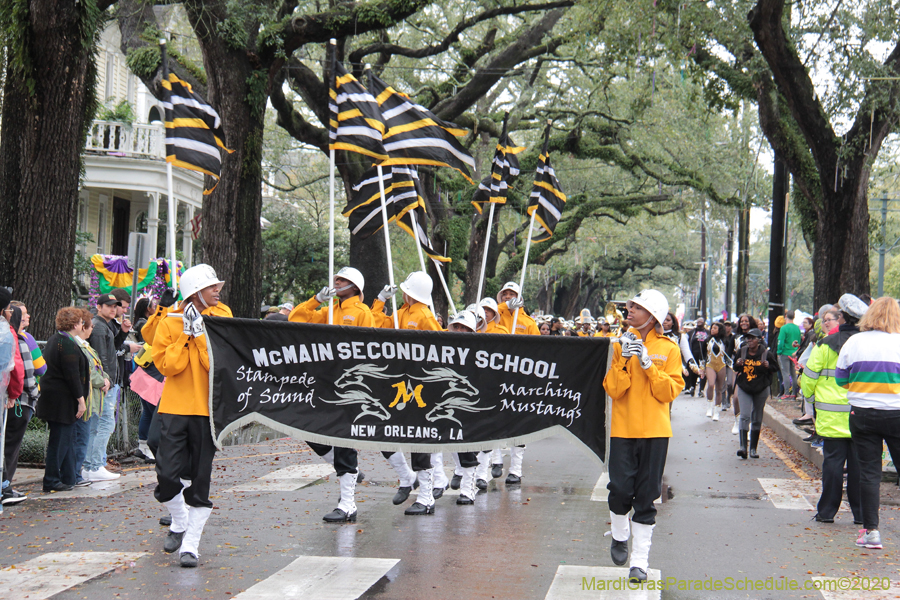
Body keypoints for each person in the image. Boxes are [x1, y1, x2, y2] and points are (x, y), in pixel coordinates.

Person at [152, 264, 232, 567]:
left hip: (207, 411)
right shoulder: (169, 322)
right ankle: (179, 520)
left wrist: (199, 333)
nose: (218, 291)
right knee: (166, 476)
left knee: (200, 480)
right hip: (174, 407)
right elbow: (168, 366)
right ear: (196, 292)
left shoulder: (221, 318)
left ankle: (191, 546)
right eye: (212, 287)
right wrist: (185, 334)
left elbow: (218, 365)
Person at [603, 290, 683, 583]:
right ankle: (619, 535)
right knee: (620, 490)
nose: (630, 311)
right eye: (630, 307)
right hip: (623, 430)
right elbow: (613, 390)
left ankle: (639, 562)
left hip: (655, 432)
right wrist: (623, 360)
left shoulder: (669, 349)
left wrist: (649, 365)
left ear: (652, 316)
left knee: (647, 497)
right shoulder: (618, 344)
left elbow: (668, 392)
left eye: (636, 307)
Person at [289, 266, 371, 522]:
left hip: (349, 384)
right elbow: (295, 320)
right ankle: (348, 469)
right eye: (336, 278)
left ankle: (348, 504)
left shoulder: (363, 312)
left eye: (342, 280)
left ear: (355, 287)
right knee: (307, 428)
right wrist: (316, 300)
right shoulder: (330, 311)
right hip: (325, 381)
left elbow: (370, 346)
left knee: (344, 441)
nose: (336, 282)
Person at [836, 297, 900, 551]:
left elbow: (841, 380)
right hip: (896, 413)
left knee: (869, 473)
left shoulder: (855, 342)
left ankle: (871, 531)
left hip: (862, 413)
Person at [383, 271, 444, 516]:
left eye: (406, 290)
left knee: (419, 440)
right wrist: (380, 301)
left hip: (419, 387)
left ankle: (427, 497)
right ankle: (407, 478)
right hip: (398, 383)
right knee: (384, 432)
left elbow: (438, 348)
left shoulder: (425, 316)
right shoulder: (402, 313)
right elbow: (379, 326)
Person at [801, 298, 866, 524]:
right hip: (861, 416)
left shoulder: (824, 344)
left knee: (833, 466)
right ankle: (861, 514)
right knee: (859, 468)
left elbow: (809, 377)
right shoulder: (867, 345)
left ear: (841, 318)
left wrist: (811, 402)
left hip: (831, 418)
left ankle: (827, 512)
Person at [36, 307, 90, 492]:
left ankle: (68, 477)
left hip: (57, 400)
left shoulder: (57, 339)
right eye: (81, 322)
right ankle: (51, 480)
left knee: (67, 439)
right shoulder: (66, 343)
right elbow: (72, 374)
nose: (82, 325)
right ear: (75, 324)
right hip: (62, 401)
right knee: (59, 441)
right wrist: (81, 400)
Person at [494, 281, 539, 484]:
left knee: (519, 423)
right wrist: (504, 307)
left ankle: (516, 469)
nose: (508, 296)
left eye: (512, 294)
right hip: (497, 375)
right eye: (505, 293)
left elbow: (539, 351)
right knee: (493, 417)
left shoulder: (528, 323)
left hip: (520, 378)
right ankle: (495, 459)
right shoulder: (496, 315)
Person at [83, 293, 124, 482]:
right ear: (99, 307)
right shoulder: (99, 327)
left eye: (115, 306)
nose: (113, 309)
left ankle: (91, 465)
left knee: (99, 424)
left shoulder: (103, 325)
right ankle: (94, 465)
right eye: (109, 306)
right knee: (104, 423)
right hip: (105, 384)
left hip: (106, 383)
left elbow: (110, 350)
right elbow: (101, 357)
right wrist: (106, 380)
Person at [2, 306, 39, 505]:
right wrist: (34, 395)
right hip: (17, 401)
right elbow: (24, 371)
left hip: (10, 398)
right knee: (10, 447)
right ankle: (5, 487)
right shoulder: (17, 339)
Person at [445, 310, 481, 506]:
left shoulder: (480, 351)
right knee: (452, 442)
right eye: (456, 326)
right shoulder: (443, 348)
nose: (459, 330)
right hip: (449, 403)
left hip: (470, 406)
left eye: (464, 328)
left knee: (467, 446)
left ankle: (468, 489)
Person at [71, 309, 110, 486]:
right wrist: (102, 381)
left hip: (93, 398)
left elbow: (98, 366)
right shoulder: (79, 346)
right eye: (89, 326)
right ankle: (80, 471)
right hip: (88, 398)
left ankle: (80, 471)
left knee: (88, 433)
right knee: (82, 436)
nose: (92, 329)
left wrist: (106, 378)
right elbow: (89, 371)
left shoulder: (86, 346)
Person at [733, 328, 778, 459]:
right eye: (748, 338)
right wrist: (738, 364)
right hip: (744, 387)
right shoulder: (742, 352)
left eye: (752, 338)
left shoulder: (766, 354)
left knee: (757, 417)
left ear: (759, 340)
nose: (749, 340)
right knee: (745, 415)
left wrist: (768, 366)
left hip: (761, 388)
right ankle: (743, 448)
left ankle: (753, 449)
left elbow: (775, 368)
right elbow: (735, 367)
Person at [730, 315, 759, 434]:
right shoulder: (735, 337)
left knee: (752, 400)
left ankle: (750, 425)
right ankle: (737, 421)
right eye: (742, 321)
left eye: (746, 321)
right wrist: (734, 366)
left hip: (753, 371)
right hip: (739, 371)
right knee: (736, 397)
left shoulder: (756, 336)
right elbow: (728, 354)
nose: (744, 323)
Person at [704, 322, 731, 421]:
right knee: (711, 384)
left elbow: (729, 352)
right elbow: (703, 354)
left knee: (719, 389)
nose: (712, 329)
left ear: (720, 330)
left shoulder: (725, 341)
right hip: (710, 364)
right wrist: (702, 367)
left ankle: (716, 411)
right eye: (712, 328)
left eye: (715, 328)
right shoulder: (707, 340)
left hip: (721, 365)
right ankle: (709, 406)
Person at [777, 310, 802, 399]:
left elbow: (781, 341)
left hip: (785, 353)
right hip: (794, 353)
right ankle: (794, 393)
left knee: (785, 373)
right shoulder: (797, 328)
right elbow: (799, 341)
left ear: (786, 316)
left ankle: (786, 393)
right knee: (793, 374)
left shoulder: (784, 328)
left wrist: (779, 352)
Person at [687, 317, 709, 397]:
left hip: (704, 355)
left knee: (703, 372)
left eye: (701, 321)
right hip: (694, 354)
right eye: (698, 321)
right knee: (693, 371)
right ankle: (692, 386)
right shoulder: (691, 332)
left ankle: (701, 390)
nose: (699, 322)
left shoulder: (707, 332)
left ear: (704, 322)